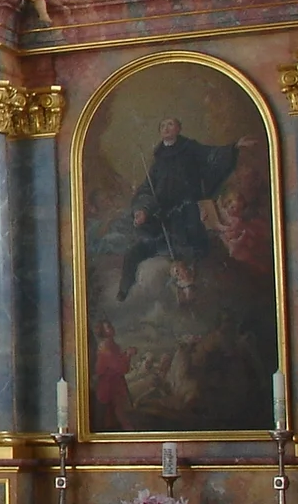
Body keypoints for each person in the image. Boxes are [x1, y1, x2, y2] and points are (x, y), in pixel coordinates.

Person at [115, 116, 257, 301]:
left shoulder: (190, 149)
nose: (166, 128)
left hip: (188, 216)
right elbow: (147, 190)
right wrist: (142, 210)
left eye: (170, 124)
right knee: (136, 251)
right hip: (163, 219)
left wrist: (234, 147)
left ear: (178, 129)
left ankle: (189, 287)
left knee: (195, 255)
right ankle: (125, 289)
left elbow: (211, 155)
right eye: (163, 125)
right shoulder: (158, 161)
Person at [91, 318, 136, 431]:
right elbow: (118, 366)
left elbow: (123, 367)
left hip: (116, 385)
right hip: (108, 386)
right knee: (116, 416)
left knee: (119, 416)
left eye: (111, 326)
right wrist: (128, 355)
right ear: (103, 331)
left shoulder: (114, 346)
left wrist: (126, 355)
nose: (111, 328)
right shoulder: (104, 347)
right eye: (108, 327)